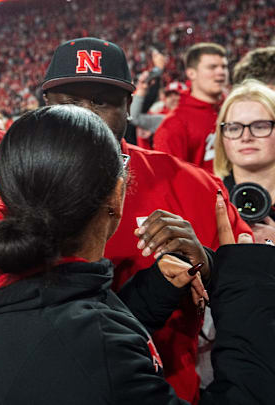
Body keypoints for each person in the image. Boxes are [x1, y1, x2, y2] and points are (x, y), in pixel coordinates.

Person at [0, 105, 275, 405]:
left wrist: (157, 288)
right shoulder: (90, 343)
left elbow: (70, 336)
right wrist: (248, 285)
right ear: (117, 195)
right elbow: (85, 351)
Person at [39, 37, 251, 402]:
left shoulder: (189, 183)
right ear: (44, 106)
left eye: (101, 102)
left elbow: (251, 287)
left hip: (171, 387)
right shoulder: (12, 185)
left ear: (128, 107)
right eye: (70, 102)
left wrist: (209, 264)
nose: (85, 114)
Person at [213, 79, 275, 242]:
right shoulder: (204, 198)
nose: (246, 137)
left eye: (260, 126)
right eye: (234, 128)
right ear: (222, 137)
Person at [153, 43, 229, 172]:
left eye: (224, 67)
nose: (221, 72)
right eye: (212, 67)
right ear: (191, 73)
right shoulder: (174, 124)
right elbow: (170, 180)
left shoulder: (232, 110)